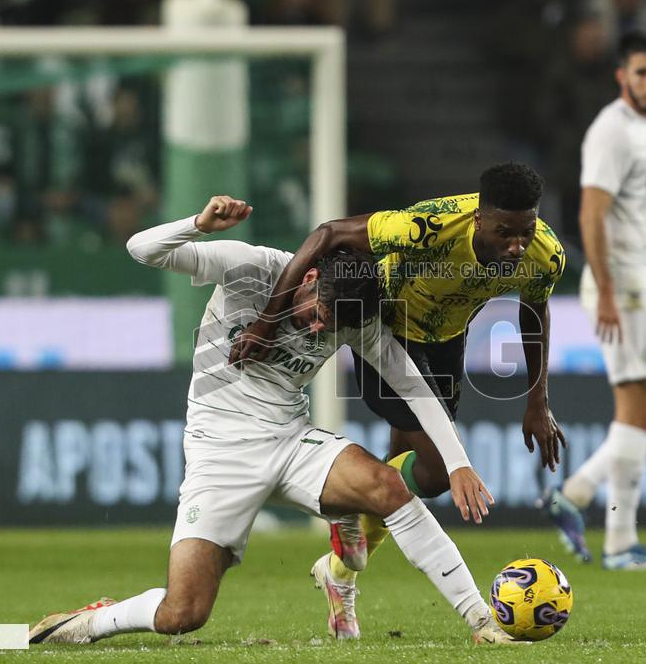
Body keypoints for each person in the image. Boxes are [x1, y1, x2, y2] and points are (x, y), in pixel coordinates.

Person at [28, 196, 522, 645]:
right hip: (219, 451)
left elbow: (417, 388)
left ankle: (481, 620)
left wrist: (457, 464)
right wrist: (198, 225)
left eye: (332, 327)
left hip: (290, 440)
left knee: (391, 489)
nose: (317, 329)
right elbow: (141, 248)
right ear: (309, 279)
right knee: (183, 613)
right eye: (317, 314)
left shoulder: (358, 318)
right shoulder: (251, 268)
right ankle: (93, 621)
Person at [228, 162, 567, 635]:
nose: (516, 246)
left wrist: (537, 402)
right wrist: (268, 320)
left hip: (446, 337)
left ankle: (341, 567)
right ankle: (356, 499)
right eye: (503, 233)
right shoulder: (426, 227)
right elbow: (328, 235)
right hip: (385, 328)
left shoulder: (545, 254)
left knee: (418, 474)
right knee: (433, 461)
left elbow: (535, 310)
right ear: (477, 221)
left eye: (524, 233)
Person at [537, 29, 646, 571]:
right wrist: (607, 289)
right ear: (622, 75)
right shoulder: (612, 131)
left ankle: (579, 490)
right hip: (624, 287)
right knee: (637, 413)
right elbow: (591, 213)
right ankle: (620, 542)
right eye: (642, 72)